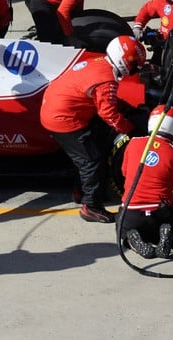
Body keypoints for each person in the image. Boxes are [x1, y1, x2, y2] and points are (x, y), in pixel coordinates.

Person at [40, 35, 145, 223]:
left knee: (88, 152)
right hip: (64, 119)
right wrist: (130, 129)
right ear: (123, 59)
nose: (134, 67)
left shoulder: (98, 62)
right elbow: (109, 115)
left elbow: (102, 98)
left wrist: (125, 107)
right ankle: (91, 206)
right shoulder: (107, 79)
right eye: (134, 63)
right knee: (92, 160)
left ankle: (81, 191)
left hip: (57, 109)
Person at [120, 105, 173, 259]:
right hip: (160, 212)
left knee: (122, 230)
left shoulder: (133, 143)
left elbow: (124, 173)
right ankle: (166, 234)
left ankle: (132, 238)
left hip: (131, 211)